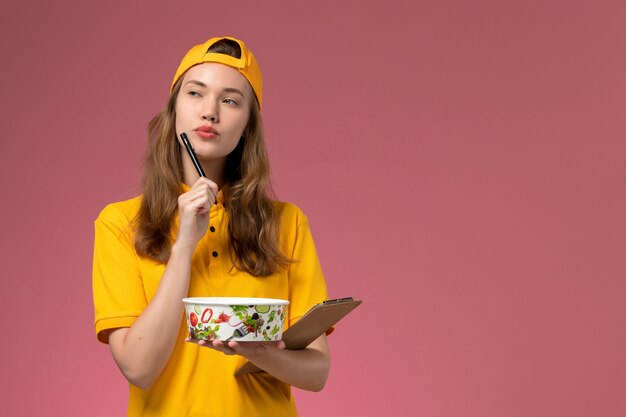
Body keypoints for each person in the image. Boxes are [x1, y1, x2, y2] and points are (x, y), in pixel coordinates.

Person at [92, 36, 331, 417]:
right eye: (195, 93)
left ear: (249, 124)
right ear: (173, 111)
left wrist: (258, 354)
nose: (210, 112)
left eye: (231, 100)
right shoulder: (120, 223)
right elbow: (138, 368)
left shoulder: (287, 223)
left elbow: (317, 371)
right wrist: (185, 245)